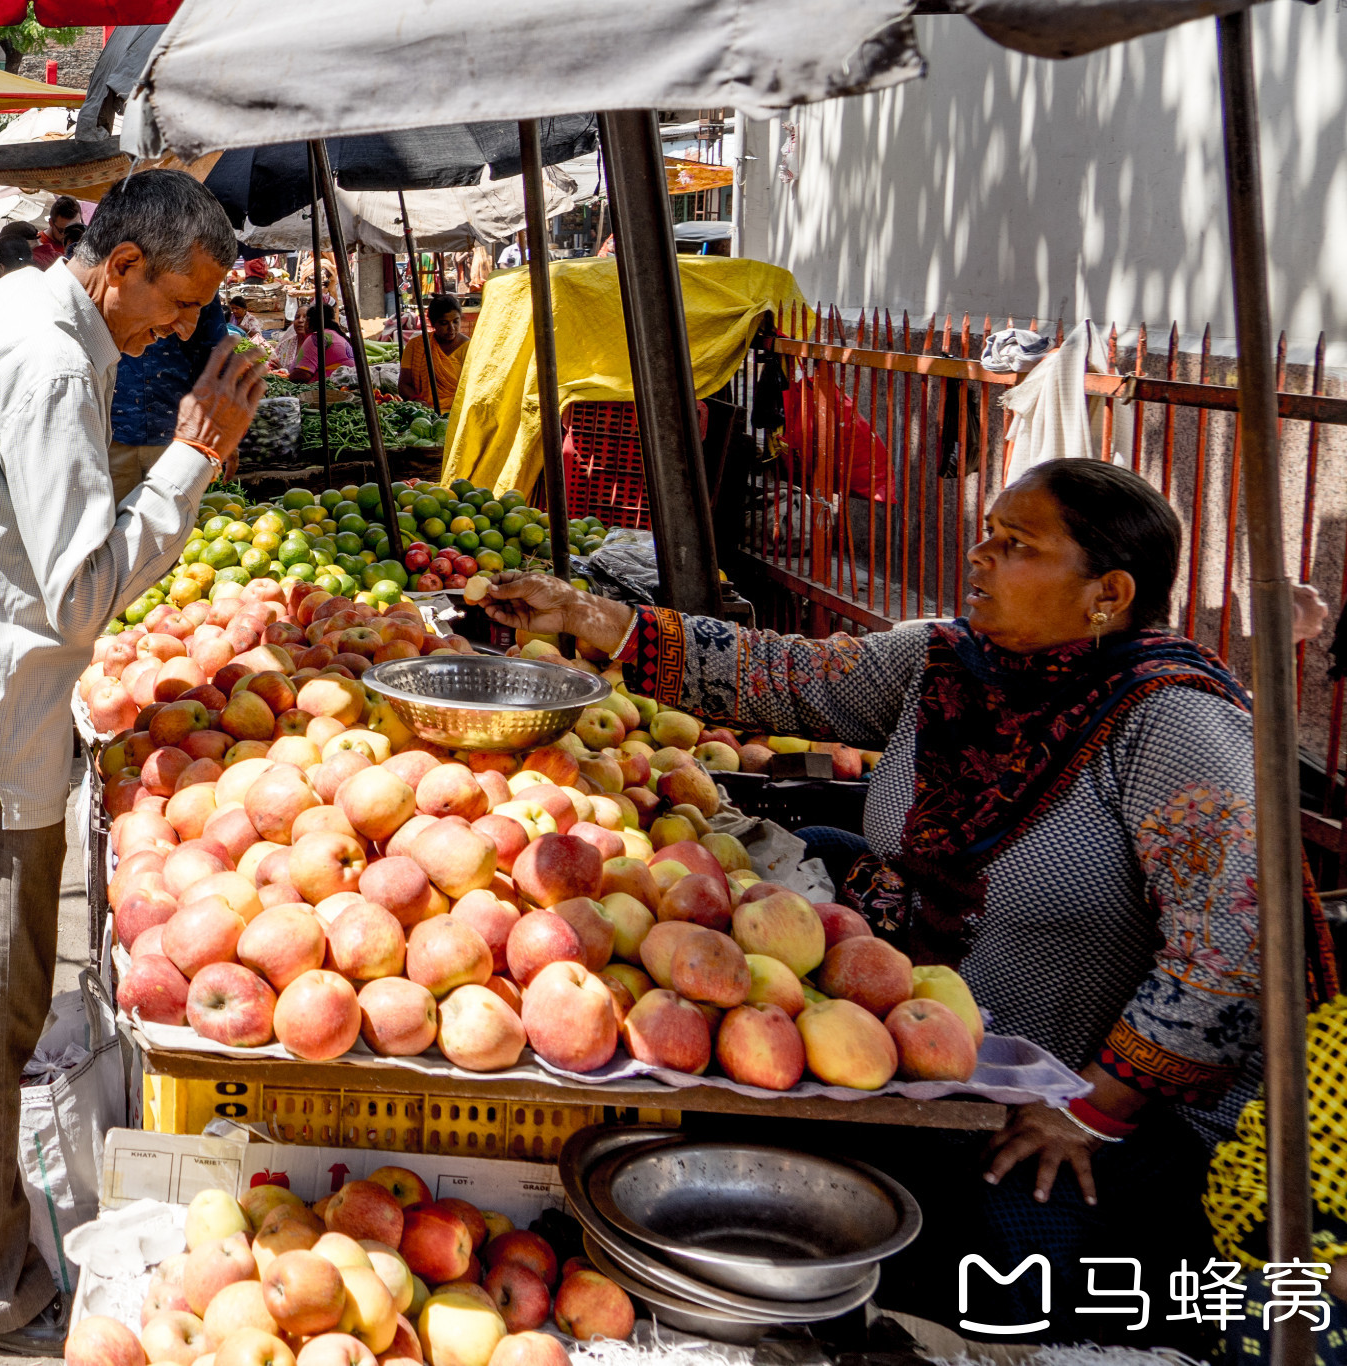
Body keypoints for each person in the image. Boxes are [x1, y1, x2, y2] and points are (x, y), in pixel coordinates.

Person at [478, 459, 1342, 1352]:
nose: (979, 554)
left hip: (1094, 1105)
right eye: (989, 533)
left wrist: (1095, 1106)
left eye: (1016, 546)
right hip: (928, 1052)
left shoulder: (1173, 723)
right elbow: (789, 679)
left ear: (1108, 593)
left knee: (1000, 1268)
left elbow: (1234, 951)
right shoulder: (947, 661)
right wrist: (592, 618)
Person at [0, 169, 264, 1355]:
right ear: (120, 266)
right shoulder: (48, 361)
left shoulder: (16, 307)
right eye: (177, 307)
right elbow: (82, 594)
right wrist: (193, 459)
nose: (182, 334)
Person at [110, 294, 229, 506]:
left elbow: (216, 354)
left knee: (177, 525)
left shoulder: (199, 281)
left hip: (177, 438)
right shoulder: (119, 280)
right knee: (111, 522)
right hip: (115, 434)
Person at [398, 294, 466, 410]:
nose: (451, 328)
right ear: (433, 323)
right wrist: (418, 401)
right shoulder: (416, 345)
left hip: (458, 413)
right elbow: (404, 385)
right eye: (444, 323)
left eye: (455, 322)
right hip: (424, 413)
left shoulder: (468, 347)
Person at [286, 302, 354, 382]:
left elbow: (302, 375)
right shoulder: (336, 335)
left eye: (305, 318)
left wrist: (285, 380)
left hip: (331, 388)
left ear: (308, 321)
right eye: (297, 317)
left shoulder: (316, 338)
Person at [30, 194, 81, 270]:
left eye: (75, 227)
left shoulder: (82, 234)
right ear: (50, 222)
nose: (70, 235)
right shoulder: (40, 249)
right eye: (63, 231)